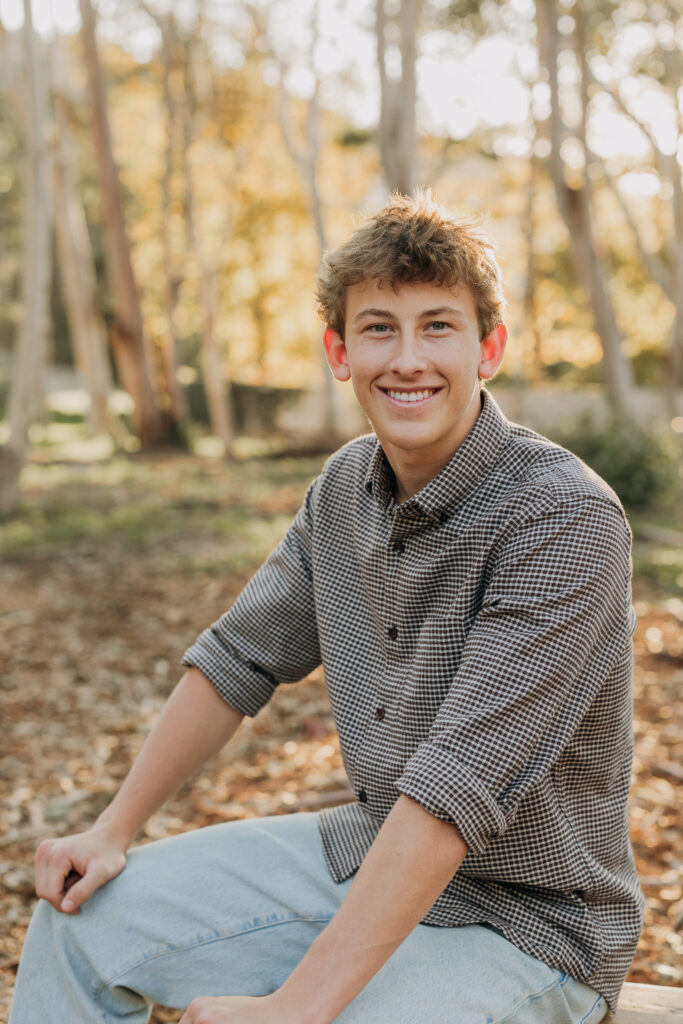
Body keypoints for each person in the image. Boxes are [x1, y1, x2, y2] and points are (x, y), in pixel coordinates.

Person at [10, 191, 643, 1024]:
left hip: (529, 923)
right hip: (367, 851)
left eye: (437, 327)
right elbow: (236, 660)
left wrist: (294, 1009)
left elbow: (456, 786)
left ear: (487, 348)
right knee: (81, 922)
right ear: (339, 352)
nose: (407, 359)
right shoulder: (344, 487)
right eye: (379, 328)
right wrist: (112, 830)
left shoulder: (561, 518)